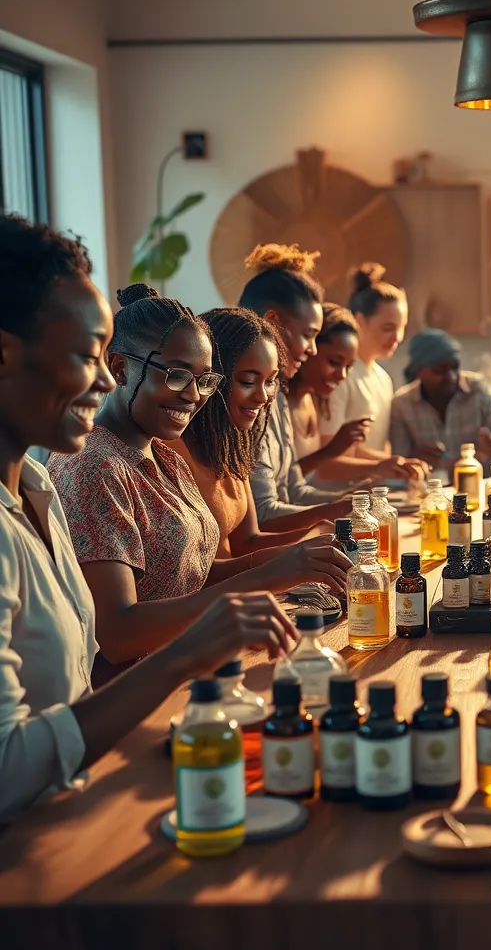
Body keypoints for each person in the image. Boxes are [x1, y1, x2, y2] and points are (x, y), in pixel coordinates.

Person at [0, 215, 296, 822]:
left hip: (79, 799)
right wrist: (187, 654)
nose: (105, 380)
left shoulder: (36, 491)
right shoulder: (82, 472)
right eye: (88, 357)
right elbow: (8, 771)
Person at [47, 284, 347, 685]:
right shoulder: (93, 466)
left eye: (205, 380)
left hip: (193, 666)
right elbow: (119, 635)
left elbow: (190, 574)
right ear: (119, 369)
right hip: (135, 694)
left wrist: (291, 562)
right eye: (176, 375)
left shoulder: (163, 454)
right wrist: (265, 578)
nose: (193, 395)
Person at [169, 307, 337, 557]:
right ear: (210, 376)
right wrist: (304, 545)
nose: (263, 397)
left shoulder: (233, 443)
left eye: (270, 381)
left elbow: (248, 541)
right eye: (248, 382)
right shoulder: (174, 451)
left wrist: (321, 532)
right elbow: (199, 574)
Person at [238, 244, 361, 533]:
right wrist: (340, 509)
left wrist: (356, 503)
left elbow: (295, 491)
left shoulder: (277, 392)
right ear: (272, 324)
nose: (312, 350)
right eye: (308, 336)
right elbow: (264, 513)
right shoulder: (243, 403)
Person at [287, 302, 423, 486]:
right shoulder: (282, 404)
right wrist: (375, 467)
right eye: (335, 362)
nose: (342, 375)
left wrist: (393, 463)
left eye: (349, 367)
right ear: (311, 350)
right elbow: (317, 470)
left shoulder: (313, 398)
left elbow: (350, 451)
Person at [389, 327, 491, 469]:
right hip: (431, 488)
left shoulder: (478, 391)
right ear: (418, 370)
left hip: (478, 484)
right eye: (440, 370)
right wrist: (414, 457)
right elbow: (398, 463)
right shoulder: (402, 405)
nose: (451, 377)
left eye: (455, 367)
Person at [326, 262, 407, 458]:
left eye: (401, 327)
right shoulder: (339, 376)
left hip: (376, 487)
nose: (397, 337)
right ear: (360, 321)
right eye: (388, 328)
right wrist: (393, 463)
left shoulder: (383, 379)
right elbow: (329, 453)